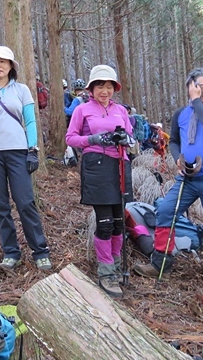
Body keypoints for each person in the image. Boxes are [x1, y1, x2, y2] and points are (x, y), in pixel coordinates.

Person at [134, 68, 203, 291]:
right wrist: (178, 158)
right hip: (187, 178)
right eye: (201, 86)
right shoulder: (181, 114)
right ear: (190, 86)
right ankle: (161, 264)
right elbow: (175, 141)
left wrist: (197, 100)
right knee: (166, 211)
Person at [0, 46, 52, 271]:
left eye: (3, 62)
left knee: (25, 202)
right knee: (1, 205)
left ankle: (40, 251)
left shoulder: (22, 90)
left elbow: (31, 121)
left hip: (18, 152)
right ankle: (11, 251)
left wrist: (32, 150)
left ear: (11, 66)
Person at [66, 65, 134, 298]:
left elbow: (132, 137)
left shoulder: (121, 111)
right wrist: (94, 139)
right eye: (99, 86)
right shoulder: (82, 110)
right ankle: (105, 272)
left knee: (118, 222)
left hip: (120, 168)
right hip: (96, 166)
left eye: (108, 86)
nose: (104, 91)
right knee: (104, 222)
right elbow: (71, 138)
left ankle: (114, 265)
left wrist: (126, 139)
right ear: (91, 89)